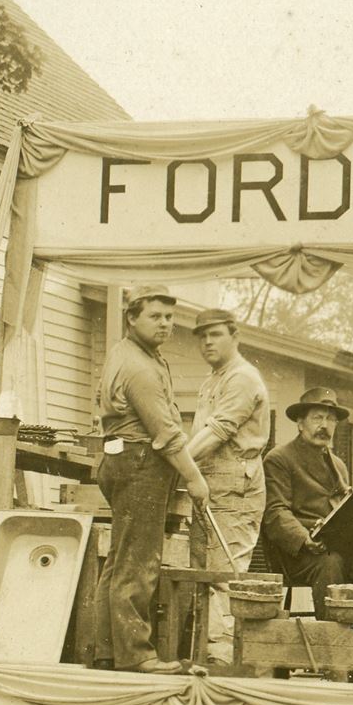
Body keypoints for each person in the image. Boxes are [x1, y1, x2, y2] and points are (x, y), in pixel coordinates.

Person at [88, 286, 207, 674]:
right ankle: (137, 654)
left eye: (170, 318)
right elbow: (167, 434)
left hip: (122, 458)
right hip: (140, 462)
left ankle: (108, 651)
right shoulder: (138, 367)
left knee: (120, 561)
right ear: (132, 318)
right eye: (156, 316)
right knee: (138, 563)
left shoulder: (134, 354)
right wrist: (194, 478)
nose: (165, 324)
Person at [183, 307, 271, 664]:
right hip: (207, 481)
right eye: (202, 336)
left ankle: (224, 660)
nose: (207, 341)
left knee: (225, 574)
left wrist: (178, 464)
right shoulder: (213, 380)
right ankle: (207, 654)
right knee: (203, 573)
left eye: (216, 334)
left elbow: (219, 431)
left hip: (236, 483)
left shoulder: (243, 378)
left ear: (235, 337)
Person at [261, 386, 352, 621]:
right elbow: (275, 511)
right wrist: (303, 538)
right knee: (331, 564)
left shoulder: (339, 466)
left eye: (331, 419)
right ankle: (331, 641)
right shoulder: (280, 458)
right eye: (317, 418)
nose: (324, 425)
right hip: (297, 552)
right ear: (300, 423)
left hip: (335, 546)